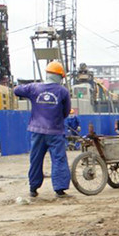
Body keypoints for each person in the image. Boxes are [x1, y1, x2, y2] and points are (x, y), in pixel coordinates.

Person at [13, 60, 73, 198]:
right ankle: (59, 189)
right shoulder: (62, 91)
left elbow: (16, 90)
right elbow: (66, 111)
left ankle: (33, 189)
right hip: (55, 131)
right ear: (59, 76)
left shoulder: (35, 88)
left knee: (36, 159)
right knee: (58, 159)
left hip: (37, 131)